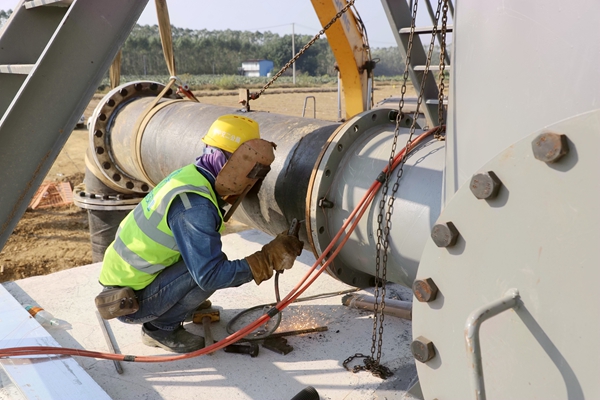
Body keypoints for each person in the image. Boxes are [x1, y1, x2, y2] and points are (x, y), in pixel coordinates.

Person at [97, 114, 304, 353]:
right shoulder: (195, 206)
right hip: (130, 303)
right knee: (211, 271)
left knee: (205, 259)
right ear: (235, 162)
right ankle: (160, 329)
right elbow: (210, 275)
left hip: (129, 282)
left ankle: (175, 304)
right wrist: (266, 260)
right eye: (253, 171)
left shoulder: (192, 175)